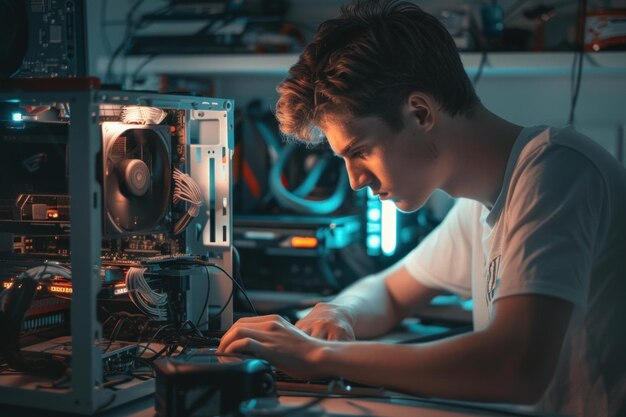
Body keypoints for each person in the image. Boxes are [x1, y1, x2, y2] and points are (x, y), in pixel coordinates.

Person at [217, 1, 626, 416]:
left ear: (420, 112)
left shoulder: (557, 171)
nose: (355, 180)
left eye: (360, 151)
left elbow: (514, 366)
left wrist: (318, 356)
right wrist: (339, 312)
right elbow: (390, 292)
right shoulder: (476, 208)